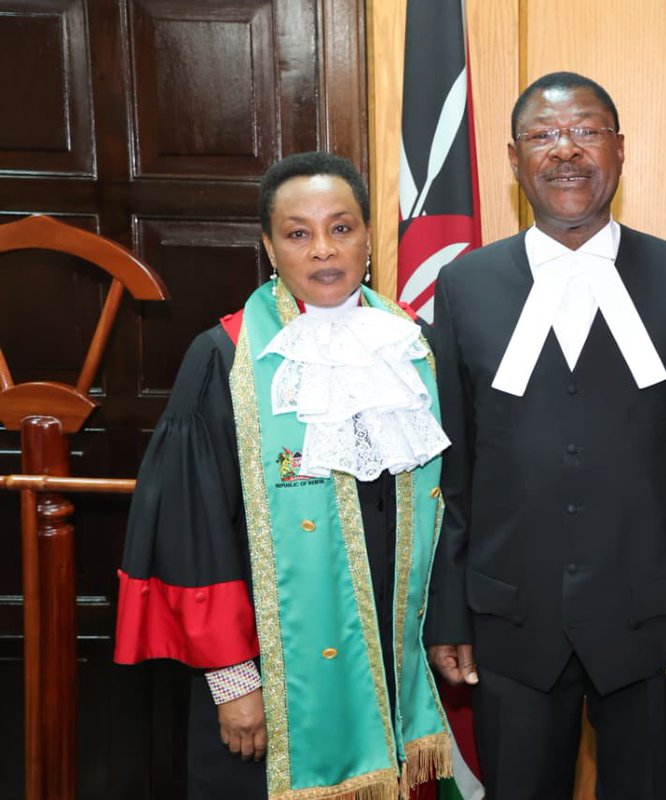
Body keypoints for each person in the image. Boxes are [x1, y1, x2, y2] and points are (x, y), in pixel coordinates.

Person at [424, 71, 666, 800]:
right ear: (512, 159)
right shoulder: (465, 286)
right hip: (510, 625)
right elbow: (452, 469)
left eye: (586, 131)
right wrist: (448, 610)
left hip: (654, 626)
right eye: (543, 135)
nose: (566, 151)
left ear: (620, 149)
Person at [114, 152, 454, 799]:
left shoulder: (414, 348)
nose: (324, 251)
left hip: (392, 662)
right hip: (271, 678)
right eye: (299, 233)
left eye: (342, 227)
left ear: (368, 238)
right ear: (270, 246)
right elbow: (192, 531)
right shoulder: (224, 357)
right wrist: (234, 680)